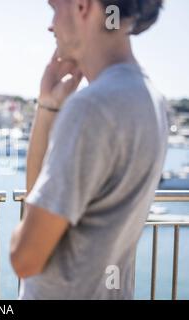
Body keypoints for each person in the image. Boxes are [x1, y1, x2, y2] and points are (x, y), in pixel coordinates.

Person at [10, 0, 167, 299]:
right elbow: (40, 194)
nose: (51, 25)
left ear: (82, 6)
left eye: (54, 8)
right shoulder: (149, 97)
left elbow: (25, 258)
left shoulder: (93, 107)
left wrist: (24, 233)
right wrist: (49, 106)